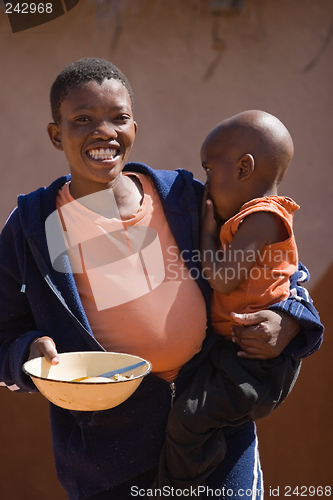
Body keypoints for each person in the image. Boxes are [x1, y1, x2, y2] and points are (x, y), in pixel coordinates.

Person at [0, 59, 323, 500]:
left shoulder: (184, 200)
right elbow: (4, 329)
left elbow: (283, 268)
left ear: (135, 126)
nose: (104, 132)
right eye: (82, 120)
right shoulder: (34, 226)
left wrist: (288, 319)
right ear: (57, 135)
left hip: (214, 437)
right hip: (108, 458)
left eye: (119, 117)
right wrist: (27, 353)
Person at [153, 111, 323, 498]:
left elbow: (224, 278)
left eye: (210, 171)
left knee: (190, 420)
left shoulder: (263, 217)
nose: (207, 185)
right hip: (237, 355)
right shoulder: (251, 220)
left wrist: (207, 233)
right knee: (197, 421)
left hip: (256, 364)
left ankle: (174, 491)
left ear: (245, 168)